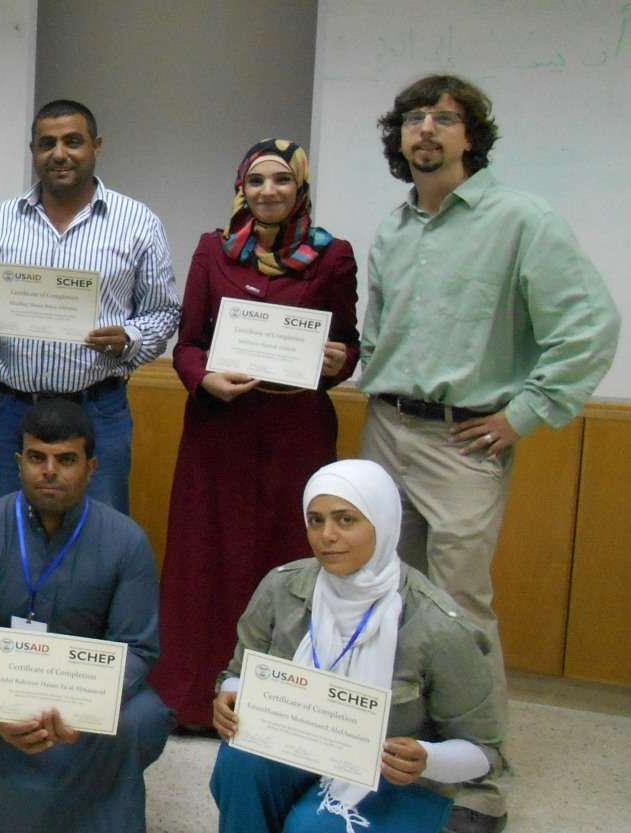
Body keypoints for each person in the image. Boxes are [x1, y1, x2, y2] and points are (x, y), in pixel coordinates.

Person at [357, 74, 618, 832]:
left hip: (464, 440)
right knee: (381, 594)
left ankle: (481, 773)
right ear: (399, 137)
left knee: (459, 605)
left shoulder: (521, 220)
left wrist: (526, 412)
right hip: (386, 428)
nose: (427, 130)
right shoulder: (395, 227)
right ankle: (397, 747)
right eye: (414, 118)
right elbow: (382, 329)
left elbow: (589, 327)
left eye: (445, 118)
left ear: (472, 137)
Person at [152, 139, 360, 729]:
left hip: (296, 436)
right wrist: (205, 379)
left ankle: (278, 709)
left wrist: (335, 361)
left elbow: (348, 348)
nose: (269, 192)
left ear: (301, 189)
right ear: (241, 188)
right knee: (206, 561)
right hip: (221, 433)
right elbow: (187, 345)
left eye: (282, 181)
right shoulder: (213, 251)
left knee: (289, 563)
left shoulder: (333, 257)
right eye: (257, 181)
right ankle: (192, 700)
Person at [0, 398, 173, 833]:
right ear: (19, 462)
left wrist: (76, 707)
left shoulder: (128, 542)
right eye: (37, 458)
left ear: (91, 467)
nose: (49, 471)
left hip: (84, 694)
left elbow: (138, 648)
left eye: (66, 459)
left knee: (144, 719)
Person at [210, 460, 505, 833]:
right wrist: (232, 695)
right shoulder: (282, 588)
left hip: (394, 780)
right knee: (239, 765)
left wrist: (426, 758)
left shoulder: (436, 626)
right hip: (300, 746)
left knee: (313, 828)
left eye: (345, 520)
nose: (326, 535)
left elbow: (486, 752)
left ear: (382, 523)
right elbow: (238, 672)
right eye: (315, 520)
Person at [0, 99, 180, 512]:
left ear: (96, 145)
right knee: (14, 533)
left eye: (72, 141)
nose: (59, 154)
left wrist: (129, 339)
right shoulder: (0, 220)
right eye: (47, 143)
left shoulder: (137, 222)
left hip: (99, 409)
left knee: (101, 535)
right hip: (14, 410)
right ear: (33, 152)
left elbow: (164, 312)